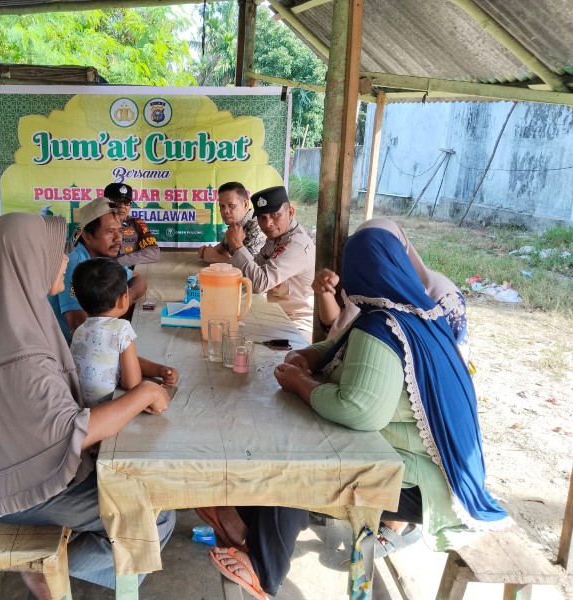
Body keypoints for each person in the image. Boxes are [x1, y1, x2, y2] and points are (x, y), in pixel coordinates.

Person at [199, 226, 510, 600]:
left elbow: (360, 409)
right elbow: (334, 344)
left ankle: (265, 571)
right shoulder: (402, 312)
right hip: (425, 463)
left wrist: (300, 383)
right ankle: (247, 524)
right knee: (295, 438)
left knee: (296, 462)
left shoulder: (384, 327)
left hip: (421, 481)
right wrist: (306, 357)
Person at [0, 213, 176, 600]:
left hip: (3, 475)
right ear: (30, 260)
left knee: (127, 484)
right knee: (153, 511)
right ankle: (48, 570)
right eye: (58, 253)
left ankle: (51, 564)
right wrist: (145, 394)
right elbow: (70, 432)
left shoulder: (11, 320)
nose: (67, 261)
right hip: (22, 489)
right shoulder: (24, 349)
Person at [313, 217, 470, 366]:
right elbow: (337, 327)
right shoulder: (366, 279)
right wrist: (325, 292)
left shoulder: (444, 297)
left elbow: (455, 360)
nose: (372, 262)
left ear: (397, 253)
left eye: (377, 253)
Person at [70, 257, 178, 406]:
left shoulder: (80, 330)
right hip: (108, 409)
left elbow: (118, 358)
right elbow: (132, 384)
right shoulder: (122, 328)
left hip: (80, 407)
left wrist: (159, 370)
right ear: (123, 299)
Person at [49, 196, 147, 344]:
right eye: (109, 232)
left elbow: (138, 279)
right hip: (72, 352)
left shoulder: (102, 259)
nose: (118, 238)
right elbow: (78, 327)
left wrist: (127, 299)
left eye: (119, 231)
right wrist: (118, 309)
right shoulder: (75, 265)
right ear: (87, 236)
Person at [227, 185, 315, 338]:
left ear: (291, 212)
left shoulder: (297, 245)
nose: (268, 223)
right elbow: (252, 270)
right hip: (276, 315)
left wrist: (238, 246)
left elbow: (259, 283)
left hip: (298, 324)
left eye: (275, 214)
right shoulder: (276, 238)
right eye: (262, 217)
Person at [198, 181, 265, 264]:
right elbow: (223, 249)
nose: (225, 211)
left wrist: (215, 257)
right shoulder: (235, 225)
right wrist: (206, 252)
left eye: (231, 205)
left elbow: (252, 267)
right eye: (222, 206)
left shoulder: (257, 227)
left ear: (245, 205)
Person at [103, 182, 160, 267]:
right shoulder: (93, 222)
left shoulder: (137, 223)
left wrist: (118, 262)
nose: (122, 206)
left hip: (127, 272)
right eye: (117, 201)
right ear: (105, 202)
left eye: (126, 202)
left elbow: (153, 252)